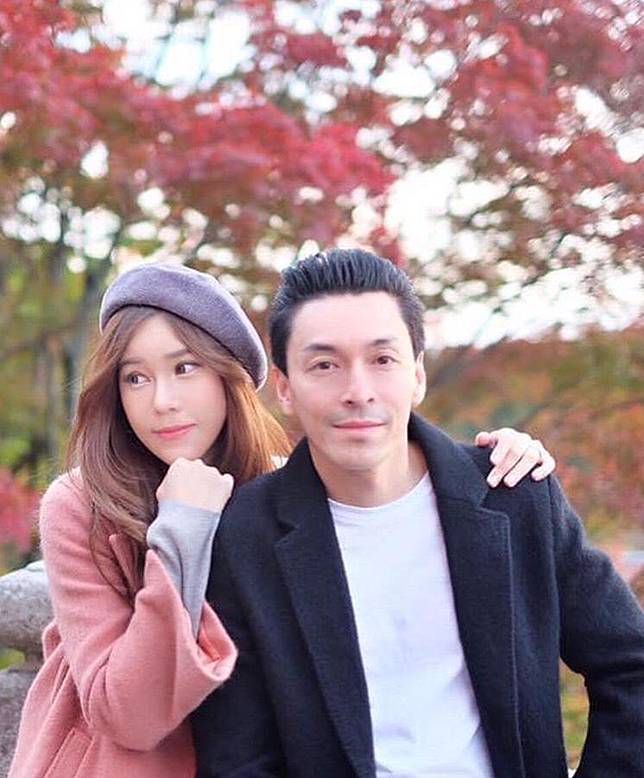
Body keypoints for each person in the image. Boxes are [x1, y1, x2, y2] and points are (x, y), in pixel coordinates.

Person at [8, 262, 552, 778]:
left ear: (228, 375)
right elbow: (129, 717)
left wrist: (500, 460)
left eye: (185, 368)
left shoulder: (280, 496)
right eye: (135, 378)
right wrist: (181, 533)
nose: (162, 401)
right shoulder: (82, 505)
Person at [192, 249, 644, 778]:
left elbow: (630, 667)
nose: (357, 392)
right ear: (286, 388)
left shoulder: (512, 494)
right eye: (324, 365)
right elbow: (238, 755)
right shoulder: (245, 532)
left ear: (418, 374)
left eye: (382, 360)